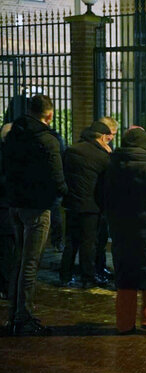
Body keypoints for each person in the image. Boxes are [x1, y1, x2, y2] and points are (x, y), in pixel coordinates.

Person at [3, 94, 67, 335]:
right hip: (38, 206)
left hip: (15, 205)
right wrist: (63, 194)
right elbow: (56, 176)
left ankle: (14, 314)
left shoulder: (13, 135)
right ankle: (24, 316)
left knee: (20, 260)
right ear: (48, 115)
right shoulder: (46, 140)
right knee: (31, 263)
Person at [104, 127, 146, 334]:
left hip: (121, 229)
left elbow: (103, 195)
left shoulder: (112, 165)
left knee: (125, 276)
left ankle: (124, 324)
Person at [59, 120, 114, 288]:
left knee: (71, 241)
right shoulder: (101, 156)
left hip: (72, 203)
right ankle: (87, 277)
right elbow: (107, 182)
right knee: (88, 243)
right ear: (103, 137)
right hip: (91, 206)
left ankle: (65, 275)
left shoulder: (72, 150)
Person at [94, 116, 118, 284]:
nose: (112, 138)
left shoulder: (107, 148)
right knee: (97, 239)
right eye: (111, 134)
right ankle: (96, 270)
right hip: (97, 201)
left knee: (101, 239)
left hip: (101, 202)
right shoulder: (100, 151)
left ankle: (100, 268)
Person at [0, 123, 15, 300]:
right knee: (7, 250)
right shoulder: (10, 156)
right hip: (5, 208)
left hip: (7, 207)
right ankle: (6, 286)